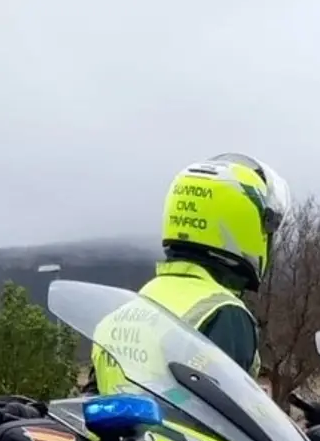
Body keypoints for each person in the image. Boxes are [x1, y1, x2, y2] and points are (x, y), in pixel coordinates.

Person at [92, 153, 291, 393]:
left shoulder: (126, 310)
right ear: (244, 221)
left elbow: (93, 399)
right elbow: (227, 416)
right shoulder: (224, 313)